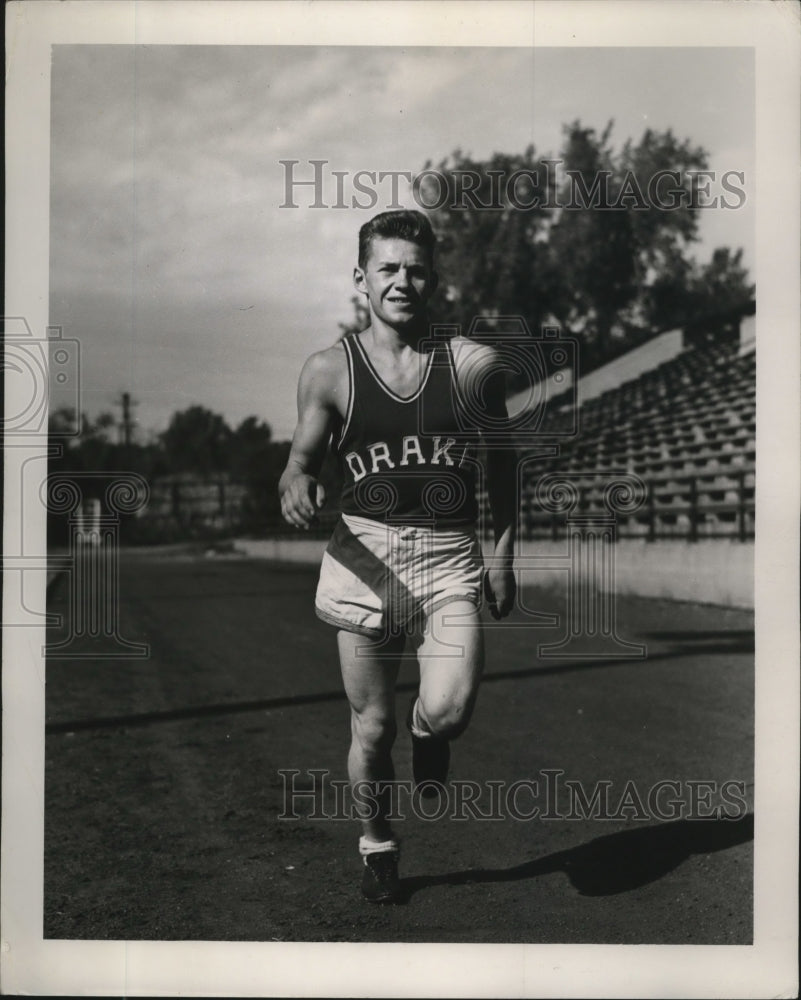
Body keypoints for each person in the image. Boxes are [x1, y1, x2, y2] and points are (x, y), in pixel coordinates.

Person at [279, 209, 517, 903]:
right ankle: (377, 844)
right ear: (362, 278)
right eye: (387, 268)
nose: (401, 281)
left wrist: (503, 554)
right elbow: (297, 462)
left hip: (447, 557)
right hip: (365, 556)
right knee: (371, 728)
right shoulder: (328, 371)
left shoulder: (473, 366)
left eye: (415, 269)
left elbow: (502, 469)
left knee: (447, 710)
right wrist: (296, 484)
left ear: (433, 279)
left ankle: (429, 731)